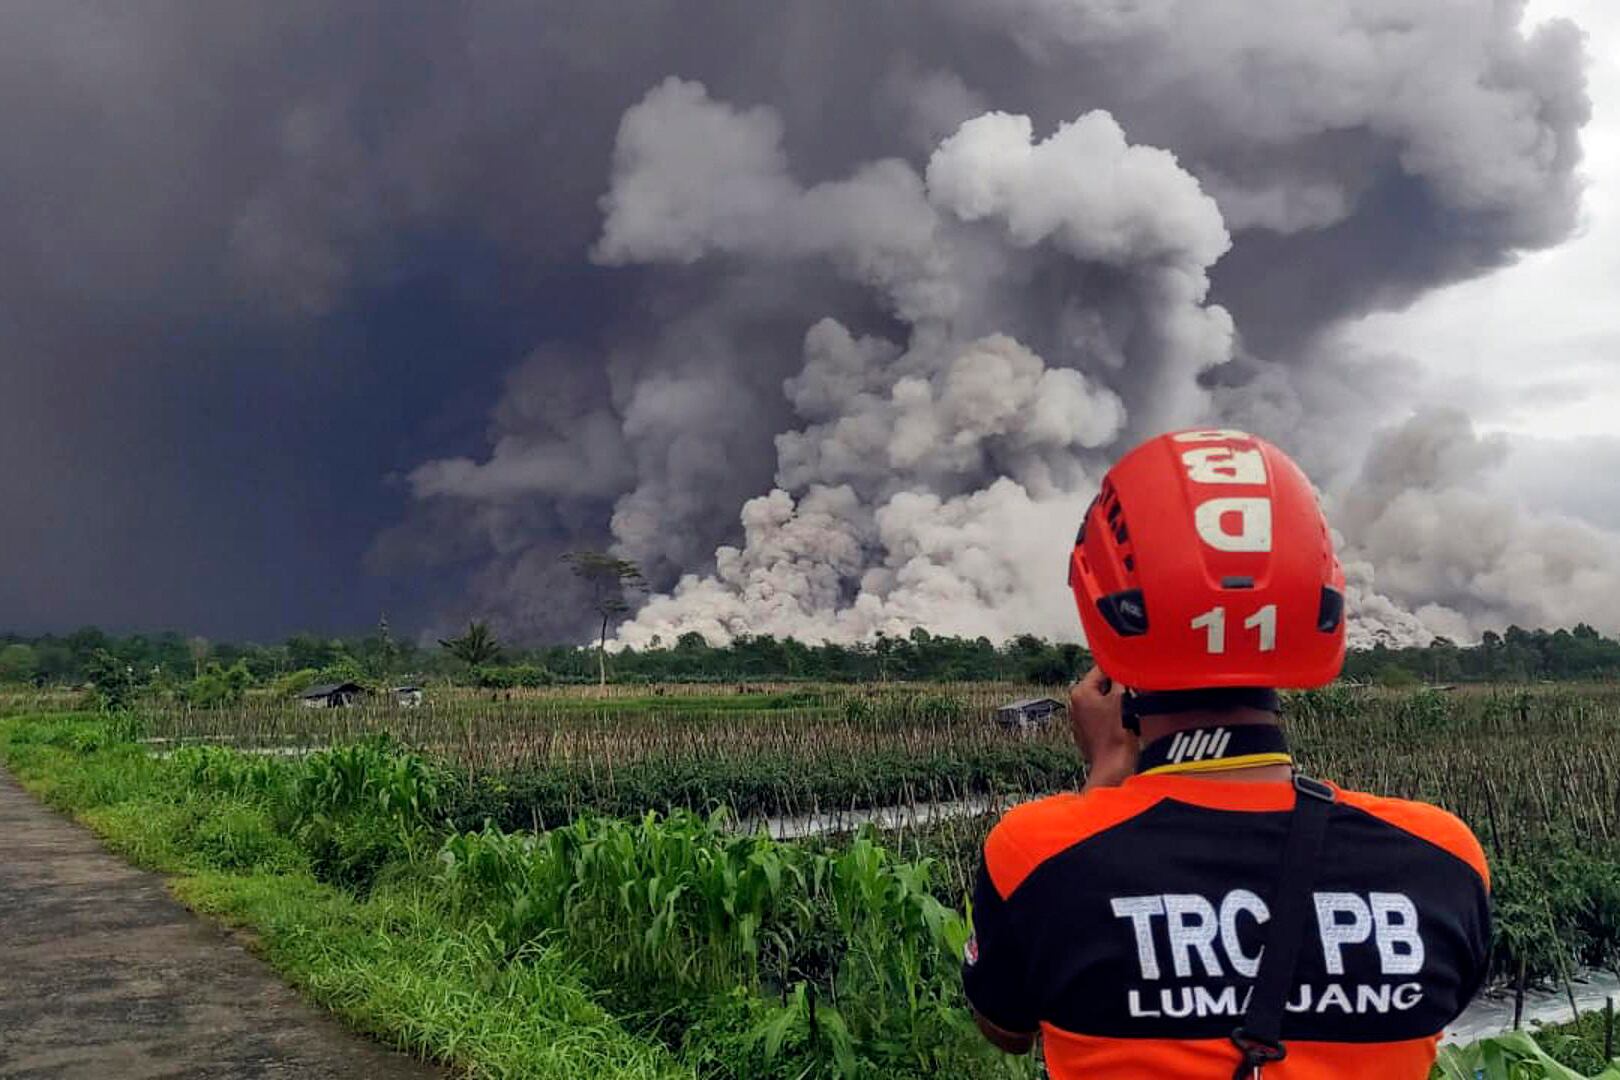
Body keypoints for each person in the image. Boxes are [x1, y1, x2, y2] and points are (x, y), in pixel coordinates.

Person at [962, 429, 1491, 1079]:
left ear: (1110, 627)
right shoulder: (1443, 858)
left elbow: (1008, 1027)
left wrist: (1105, 776)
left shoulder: (1035, 852)